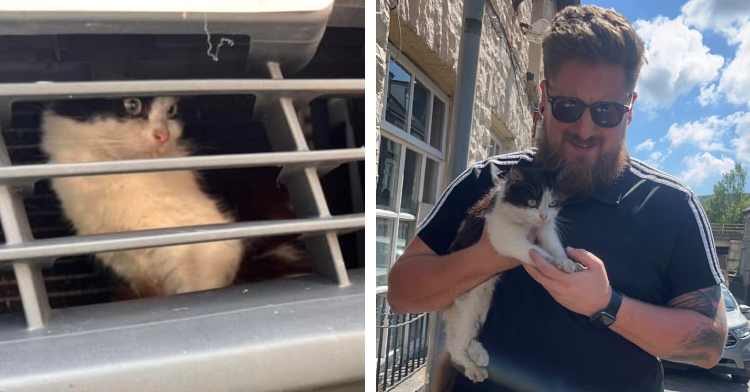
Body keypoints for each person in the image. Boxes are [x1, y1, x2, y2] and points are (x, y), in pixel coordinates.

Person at [386, 5, 728, 392]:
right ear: (545, 97)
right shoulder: (488, 180)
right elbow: (401, 294)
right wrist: (487, 255)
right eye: (569, 107)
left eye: (606, 112)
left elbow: (708, 344)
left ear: (630, 110)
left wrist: (608, 305)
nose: (585, 128)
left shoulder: (672, 205)